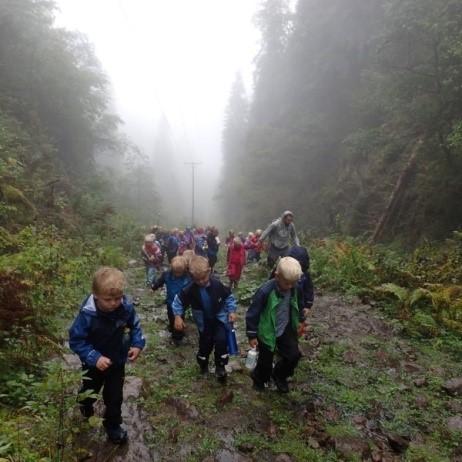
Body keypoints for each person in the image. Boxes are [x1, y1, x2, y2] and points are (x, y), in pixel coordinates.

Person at [69, 267, 145, 444]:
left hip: (116, 361)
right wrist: (94, 358)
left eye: (117, 298)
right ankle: (85, 403)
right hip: (92, 364)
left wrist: (136, 344)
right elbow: (76, 340)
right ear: (95, 295)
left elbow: (135, 326)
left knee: (114, 397)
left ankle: (113, 427)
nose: (113, 303)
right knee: (90, 390)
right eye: (108, 299)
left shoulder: (125, 307)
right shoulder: (87, 315)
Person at [245, 257, 307, 393]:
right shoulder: (265, 291)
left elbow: (299, 304)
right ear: (277, 276)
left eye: (293, 283)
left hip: (285, 328)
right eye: (287, 283)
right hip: (267, 331)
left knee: (293, 355)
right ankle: (259, 378)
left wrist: (301, 320)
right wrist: (252, 335)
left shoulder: (295, 288)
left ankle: (280, 375)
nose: (290, 286)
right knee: (265, 362)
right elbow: (252, 313)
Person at [172, 256, 237, 382]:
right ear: (191, 276)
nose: (201, 281)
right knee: (205, 345)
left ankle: (220, 366)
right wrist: (177, 316)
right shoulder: (190, 289)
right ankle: (203, 363)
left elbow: (229, 297)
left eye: (204, 278)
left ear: (209, 271)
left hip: (219, 320)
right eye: (197, 279)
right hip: (204, 323)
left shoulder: (217, 284)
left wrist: (232, 311)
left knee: (221, 341)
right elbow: (177, 301)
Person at [151, 256, 191, 345]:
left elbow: (194, 285)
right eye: (175, 272)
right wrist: (154, 288)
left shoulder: (188, 276)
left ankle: (177, 337)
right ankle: (172, 326)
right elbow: (159, 281)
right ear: (171, 268)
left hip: (182, 303)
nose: (177, 274)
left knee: (180, 317)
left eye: (179, 272)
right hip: (170, 301)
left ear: (184, 269)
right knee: (170, 316)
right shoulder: (167, 274)